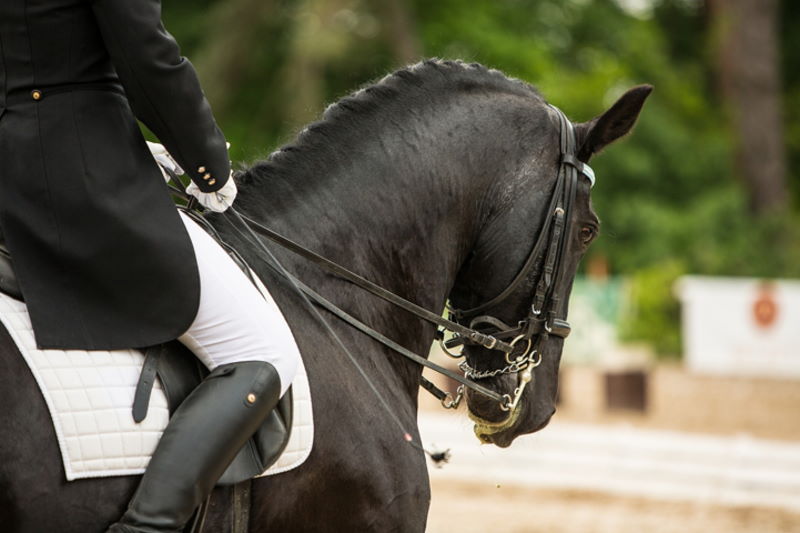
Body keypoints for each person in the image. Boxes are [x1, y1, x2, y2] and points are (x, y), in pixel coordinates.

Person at [0, 1, 300, 531]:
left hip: (20, 162)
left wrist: (129, 140)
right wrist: (206, 163)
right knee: (261, 352)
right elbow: (146, 56)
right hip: (78, 178)